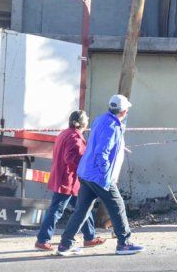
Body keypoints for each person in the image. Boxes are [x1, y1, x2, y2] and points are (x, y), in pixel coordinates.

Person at [57, 95, 145, 256]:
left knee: (82, 210)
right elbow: (101, 153)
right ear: (124, 111)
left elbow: (99, 143)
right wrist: (106, 174)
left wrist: (118, 148)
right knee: (118, 207)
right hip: (99, 175)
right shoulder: (113, 126)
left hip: (86, 173)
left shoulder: (100, 119)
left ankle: (65, 244)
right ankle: (124, 243)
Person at [35, 110, 105, 251]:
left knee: (84, 207)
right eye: (86, 119)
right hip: (68, 181)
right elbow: (72, 158)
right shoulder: (75, 137)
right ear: (82, 123)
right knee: (57, 211)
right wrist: (86, 168)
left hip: (67, 179)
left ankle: (90, 237)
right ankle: (42, 240)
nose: (88, 121)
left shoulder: (65, 133)